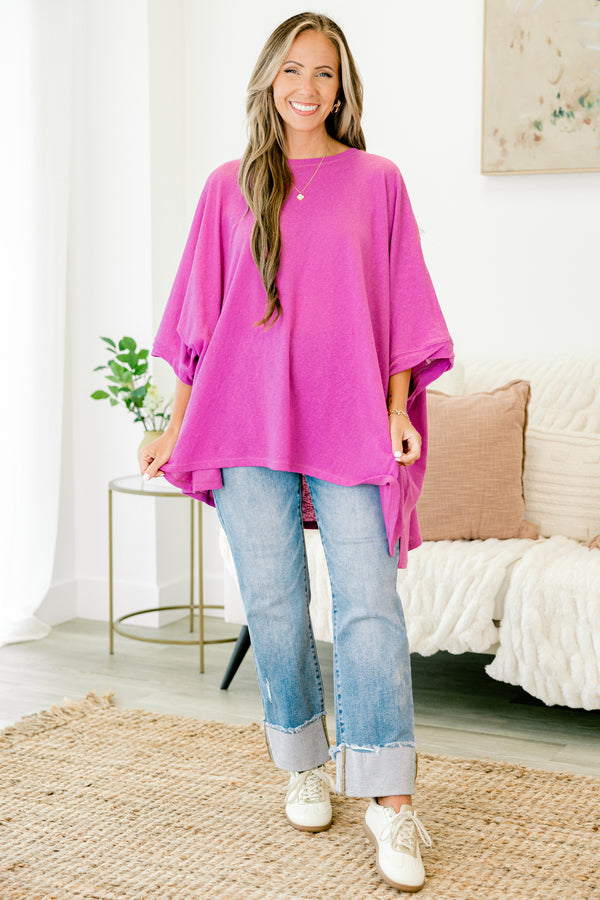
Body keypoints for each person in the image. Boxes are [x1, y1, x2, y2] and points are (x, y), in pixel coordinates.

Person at [141, 11, 453, 893]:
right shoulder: (227, 187)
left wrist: (396, 409)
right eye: (292, 70)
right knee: (275, 602)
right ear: (269, 81)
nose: (307, 88)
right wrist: (174, 423)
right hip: (244, 420)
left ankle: (390, 801)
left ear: (342, 88)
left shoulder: (377, 181)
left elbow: (399, 304)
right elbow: (200, 323)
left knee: (370, 603)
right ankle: (304, 763)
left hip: (349, 419)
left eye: (323, 73)